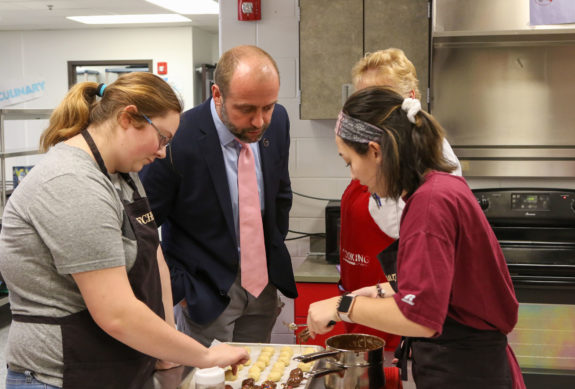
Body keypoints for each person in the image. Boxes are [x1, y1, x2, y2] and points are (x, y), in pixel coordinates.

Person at [0, 73, 248, 389]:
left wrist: (167, 350)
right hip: (62, 376)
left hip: (115, 368)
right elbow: (115, 312)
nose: (162, 152)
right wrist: (204, 356)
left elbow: (154, 256)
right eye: (162, 138)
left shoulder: (121, 175)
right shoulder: (71, 183)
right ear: (128, 118)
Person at [307, 86, 525, 389]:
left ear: (374, 151)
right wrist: (375, 290)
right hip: (468, 364)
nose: (353, 176)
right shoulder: (438, 186)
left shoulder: (428, 206)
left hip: (465, 372)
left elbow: (420, 318)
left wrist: (342, 305)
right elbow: (442, 282)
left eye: (349, 162)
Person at [139, 45, 297, 347]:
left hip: (262, 284)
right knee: (208, 379)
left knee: (255, 373)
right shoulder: (178, 136)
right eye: (246, 109)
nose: (259, 121)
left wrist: (270, 247)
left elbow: (281, 194)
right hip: (204, 292)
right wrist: (179, 289)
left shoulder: (278, 123)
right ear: (217, 94)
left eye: (268, 106)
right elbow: (140, 228)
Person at [336, 48, 463, 351]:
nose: (368, 112)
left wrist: (346, 305)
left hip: (401, 320)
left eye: (379, 99)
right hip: (369, 303)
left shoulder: (429, 182)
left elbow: (421, 297)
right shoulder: (381, 159)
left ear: (409, 97)